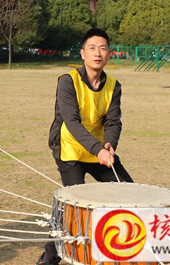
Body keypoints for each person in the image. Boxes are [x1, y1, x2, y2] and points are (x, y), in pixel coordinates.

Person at [39, 27, 134, 265]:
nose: (97, 53)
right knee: (73, 205)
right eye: (92, 48)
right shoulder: (67, 81)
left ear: (109, 53)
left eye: (102, 48)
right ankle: (49, 259)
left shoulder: (113, 85)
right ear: (82, 53)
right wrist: (98, 149)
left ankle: (119, 249)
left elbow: (113, 121)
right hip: (70, 149)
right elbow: (71, 122)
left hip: (99, 151)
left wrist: (109, 144)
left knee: (128, 192)